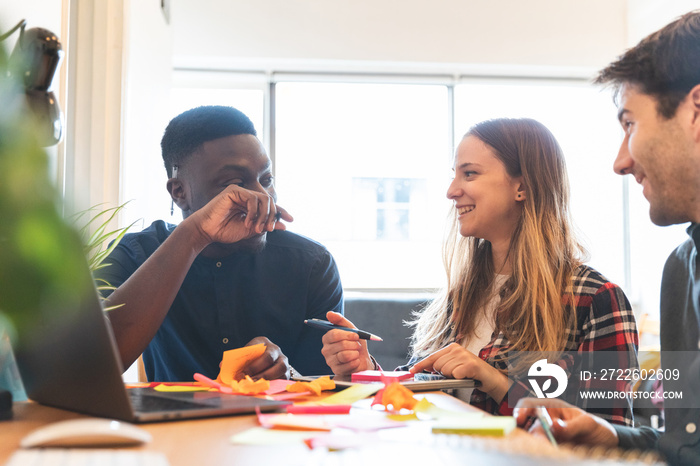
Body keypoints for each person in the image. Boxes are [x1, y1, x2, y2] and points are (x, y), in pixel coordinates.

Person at [321, 117, 639, 425]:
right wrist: (364, 369)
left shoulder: (597, 299)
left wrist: (493, 381)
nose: (451, 191)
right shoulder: (460, 297)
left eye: (469, 174)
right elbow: (421, 396)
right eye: (455, 175)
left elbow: (610, 436)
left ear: (522, 187)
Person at [514, 11, 700, 465]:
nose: (620, 162)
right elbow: (685, 447)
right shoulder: (681, 268)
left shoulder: (597, 295)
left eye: (629, 124)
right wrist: (612, 435)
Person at [96, 105, 343, 382]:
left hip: (278, 424)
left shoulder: (311, 264)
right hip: (171, 424)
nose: (263, 196)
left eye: (267, 180)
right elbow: (86, 364)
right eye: (234, 183)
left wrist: (287, 373)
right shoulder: (135, 255)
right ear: (179, 192)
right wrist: (195, 234)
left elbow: (325, 386)